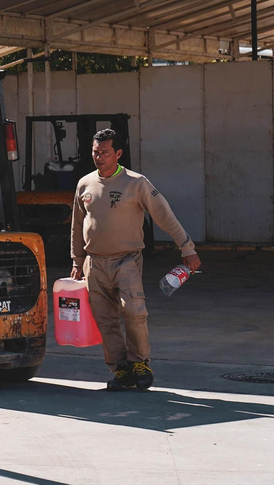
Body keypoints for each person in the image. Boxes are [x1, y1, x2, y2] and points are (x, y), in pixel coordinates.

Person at [70, 128, 201, 391]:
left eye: (105, 152)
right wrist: (76, 260)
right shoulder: (84, 184)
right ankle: (120, 369)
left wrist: (187, 248)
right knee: (105, 320)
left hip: (126, 260)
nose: (99, 157)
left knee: (133, 312)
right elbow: (76, 224)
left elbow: (165, 216)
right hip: (94, 264)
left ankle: (140, 363)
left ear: (118, 153)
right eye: (95, 152)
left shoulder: (136, 183)